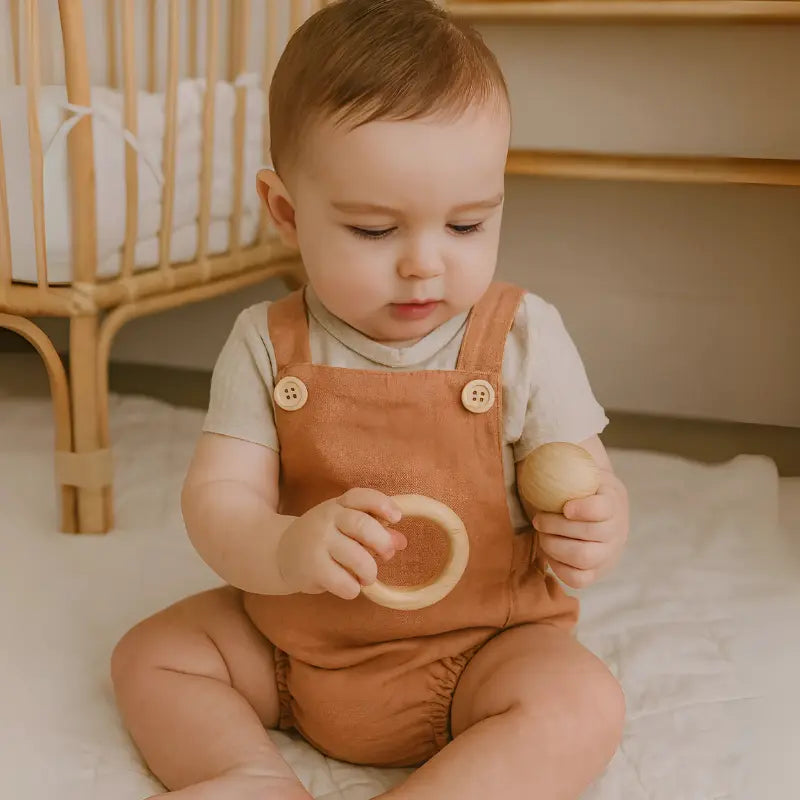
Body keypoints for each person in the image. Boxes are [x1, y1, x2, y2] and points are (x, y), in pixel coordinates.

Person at [111, 1, 629, 798]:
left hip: (480, 652)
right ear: (287, 210)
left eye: (465, 224)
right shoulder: (265, 342)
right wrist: (285, 551)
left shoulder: (522, 334)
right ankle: (248, 774)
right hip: (295, 647)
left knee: (581, 704)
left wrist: (598, 526)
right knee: (151, 656)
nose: (425, 264)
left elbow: (587, 478)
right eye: (373, 231)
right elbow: (218, 505)